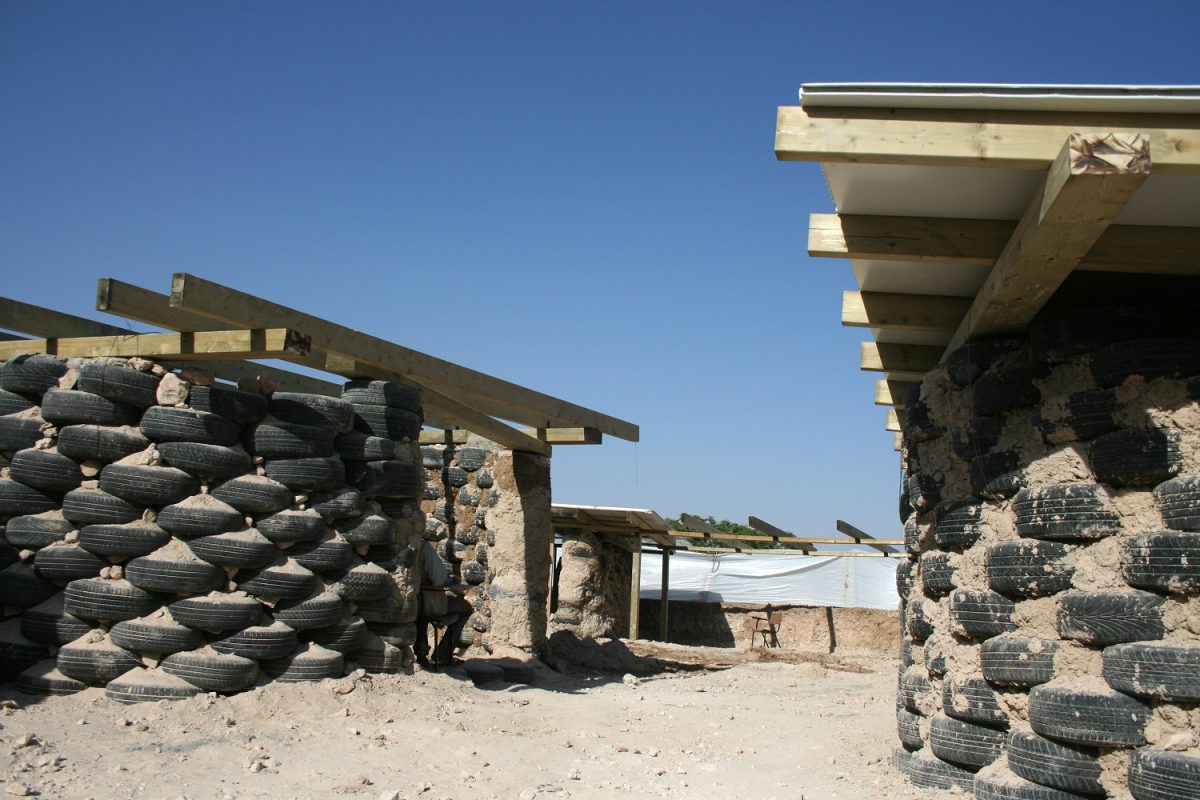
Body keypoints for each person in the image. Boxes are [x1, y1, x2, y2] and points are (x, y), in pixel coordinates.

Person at [414, 539, 470, 667]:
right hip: (426, 600)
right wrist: (452, 582)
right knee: (466, 609)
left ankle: (421, 652)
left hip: (412, 601)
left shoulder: (399, 544)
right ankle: (443, 654)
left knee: (422, 614)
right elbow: (439, 579)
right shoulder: (423, 547)